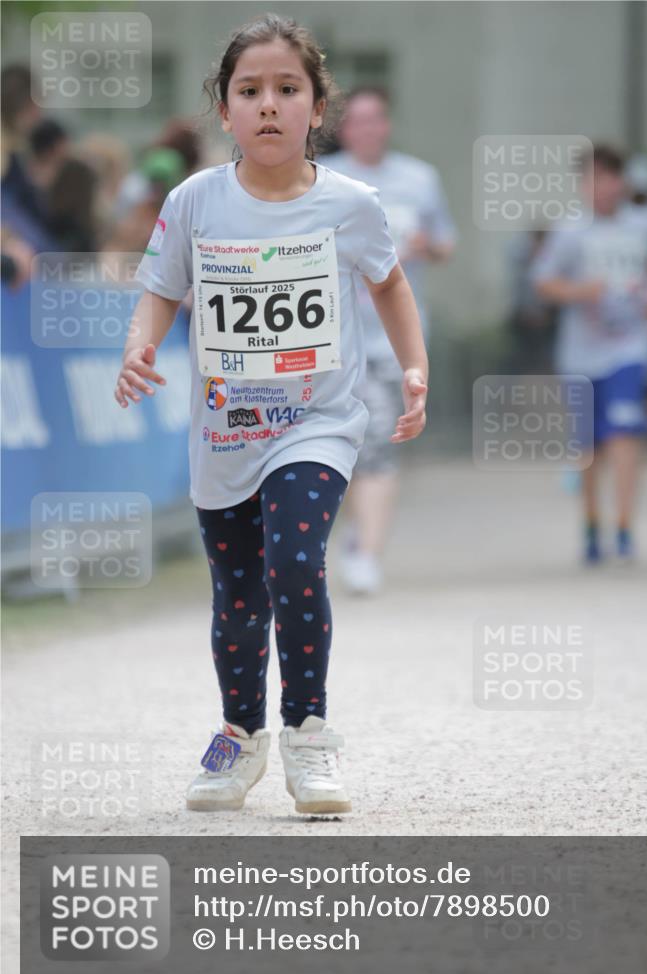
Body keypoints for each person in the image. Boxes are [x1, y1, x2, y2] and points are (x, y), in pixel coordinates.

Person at [115, 14, 428, 815]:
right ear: (224, 110)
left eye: (288, 89)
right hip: (223, 434)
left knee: (294, 564)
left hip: (316, 422)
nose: (268, 105)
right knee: (238, 597)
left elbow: (389, 282)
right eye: (249, 90)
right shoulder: (194, 202)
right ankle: (237, 738)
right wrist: (139, 349)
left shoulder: (352, 204)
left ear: (316, 108)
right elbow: (158, 290)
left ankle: (309, 735)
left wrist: (415, 365)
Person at [320, 88, 456, 593]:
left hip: (394, 338)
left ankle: (365, 551)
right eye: (357, 121)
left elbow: (446, 243)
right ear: (344, 127)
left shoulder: (419, 178)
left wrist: (426, 248)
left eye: (376, 119)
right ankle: (358, 535)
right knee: (348, 445)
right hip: (332, 337)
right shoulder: (324, 179)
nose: (368, 128)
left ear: (387, 124)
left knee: (379, 439)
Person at [531, 144, 647, 564]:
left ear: (621, 181)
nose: (599, 188)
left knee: (626, 433)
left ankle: (624, 525)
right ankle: (592, 522)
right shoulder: (570, 231)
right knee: (588, 446)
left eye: (607, 178)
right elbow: (543, 282)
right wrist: (580, 291)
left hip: (630, 347)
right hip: (581, 354)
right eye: (590, 180)